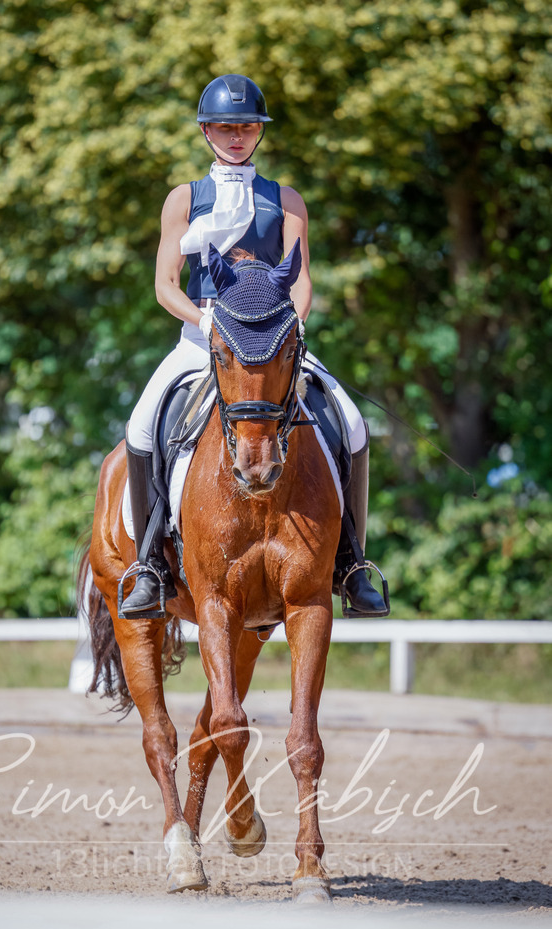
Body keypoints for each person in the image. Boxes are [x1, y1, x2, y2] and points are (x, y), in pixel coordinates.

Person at [120, 73, 387, 619]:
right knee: (141, 426)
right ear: (206, 131)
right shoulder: (184, 199)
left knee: (353, 422)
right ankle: (150, 566)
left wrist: (295, 323)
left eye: (246, 127)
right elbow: (165, 284)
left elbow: (302, 278)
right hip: (205, 340)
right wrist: (204, 320)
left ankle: (351, 563)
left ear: (259, 132)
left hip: (274, 343)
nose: (237, 136)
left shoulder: (285, 199)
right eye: (225, 127)